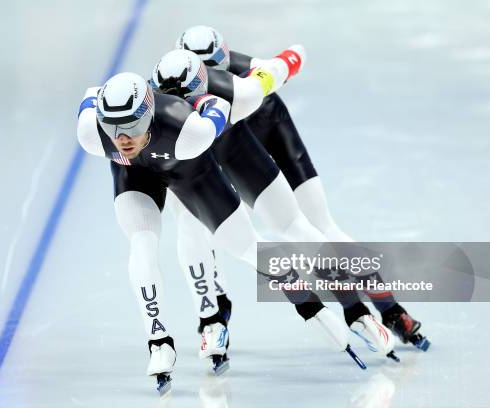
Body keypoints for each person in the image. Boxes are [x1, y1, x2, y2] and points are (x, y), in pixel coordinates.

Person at [77, 66, 365, 394]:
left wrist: (210, 98)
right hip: (137, 176)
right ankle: (159, 341)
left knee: (245, 247)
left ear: (150, 116)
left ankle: (308, 303)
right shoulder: (92, 133)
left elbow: (222, 106)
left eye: (133, 125)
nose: (123, 139)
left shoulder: (187, 130)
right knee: (142, 244)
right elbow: (90, 94)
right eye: (113, 127)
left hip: (190, 170)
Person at [174, 25, 430, 351]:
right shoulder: (184, 85)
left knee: (317, 224)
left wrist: (283, 63)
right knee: (203, 221)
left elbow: (286, 62)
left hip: (262, 122)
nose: (207, 86)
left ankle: (384, 308)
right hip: (227, 134)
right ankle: (383, 310)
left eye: (213, 75)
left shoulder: (239, 83)